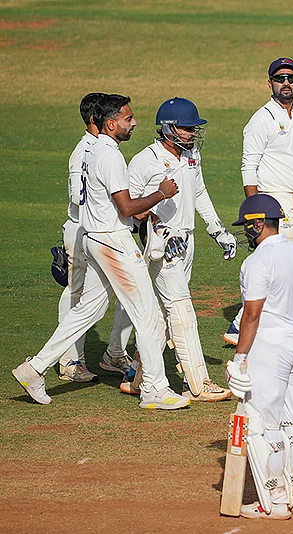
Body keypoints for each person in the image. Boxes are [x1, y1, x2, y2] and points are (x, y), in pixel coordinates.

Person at [12, 94, 190, 410]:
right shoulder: (110, 157)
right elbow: (127, 208)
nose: (134, 123)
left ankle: (34, 369)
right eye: (128, 119)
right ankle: (155, 390)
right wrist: (160, 194)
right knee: (149, 317)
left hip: (94, 239)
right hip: (113, 241)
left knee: (88, 311)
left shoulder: (91, 150)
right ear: (111, 124)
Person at [115, 97, 234, 402]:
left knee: (162, 315)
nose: (192, 134)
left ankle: (139, 378)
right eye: (187, 128)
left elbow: (199, 191)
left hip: (187, 239)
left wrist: (217, 229)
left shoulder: (192, 155)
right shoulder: (145, 160)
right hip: (161, 246)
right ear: (168, 128)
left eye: (194, 128)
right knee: (181, 310)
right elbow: (130, 209)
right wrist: (160, 232)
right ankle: (198, 384)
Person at [224, 58, 293, 359]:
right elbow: (249, 165)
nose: (286, 83)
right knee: (292, 265)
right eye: (280, 78)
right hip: (274, 199)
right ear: (269, 83)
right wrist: (254, 207)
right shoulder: (261, 119)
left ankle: (239, 324)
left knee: (283, 264)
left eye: (291, 78)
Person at [225, 193, 293, 519]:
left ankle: (274, 502)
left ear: (259, 223)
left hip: (270, 348)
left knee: (266, 425)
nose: (245, 231)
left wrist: (239, 358)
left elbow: (251, 314)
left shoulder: (256, 262)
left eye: (247, 226)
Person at [55, 92, 134, 383]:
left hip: (100, 230)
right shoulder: (84, 151)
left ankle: (114, 353)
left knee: (116, 293)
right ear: (94, 118)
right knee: (76, 295)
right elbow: (78, 196)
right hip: (83, 229)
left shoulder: (103, 148)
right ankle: (70, 362)